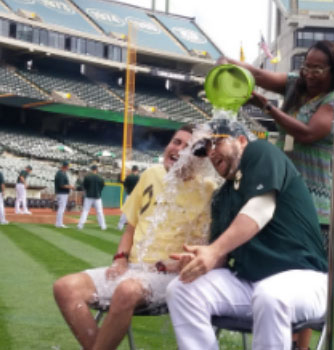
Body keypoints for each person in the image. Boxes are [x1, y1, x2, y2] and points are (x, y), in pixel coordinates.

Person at [165, 119, 328, 350]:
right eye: (206, 149)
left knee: (271, 296)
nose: (211, 153)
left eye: (215, 143)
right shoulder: (222, 196)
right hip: (251, 283)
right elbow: (220, 257)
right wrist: (199, 262)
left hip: (304, 278)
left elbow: (261, 209)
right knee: (182, 290)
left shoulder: (259, 150)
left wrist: (214, 251)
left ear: (240, 141)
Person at [53, 124, 218, 350]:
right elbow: (131, 227)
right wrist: (120, 258)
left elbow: (204, 246)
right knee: (65, 287)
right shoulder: (151, 174)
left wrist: (175, 263)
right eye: (176, 141)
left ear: (199, 157)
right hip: (133, 269)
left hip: (171, 277)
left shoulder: (207, 189)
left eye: (188, 146)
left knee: (127, 290)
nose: (177, 149)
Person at [219, 40, 334, 223]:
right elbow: (258, 74)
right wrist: (227, 63)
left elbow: (308, 134)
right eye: (306, 67)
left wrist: (268, 108)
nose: (309, 74)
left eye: (317, 70)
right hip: (281, 185)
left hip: (311, 193)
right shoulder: (296, 84)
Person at [77, 164, 106, 230]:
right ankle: (103, 226)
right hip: (97, 197)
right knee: (99, 212)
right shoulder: (100, 177)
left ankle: (80, 225)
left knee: (85, 211)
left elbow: (85, 186)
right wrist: (98, 191)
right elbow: (102, 186)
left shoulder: (87, 177)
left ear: (91, 169)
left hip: (88, 196)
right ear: (96, 170)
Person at [55, 161, 74, 228]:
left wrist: (69, 186)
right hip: (62, 193)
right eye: (68, 166)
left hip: (62, 193)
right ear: (65, 166)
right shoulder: (60, 173)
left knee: (61, 208)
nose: (69, 167)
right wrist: (70, 187)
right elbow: (61, 185)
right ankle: (59, 224)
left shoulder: (62, 173)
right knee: (61, 208)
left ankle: (58, 223)